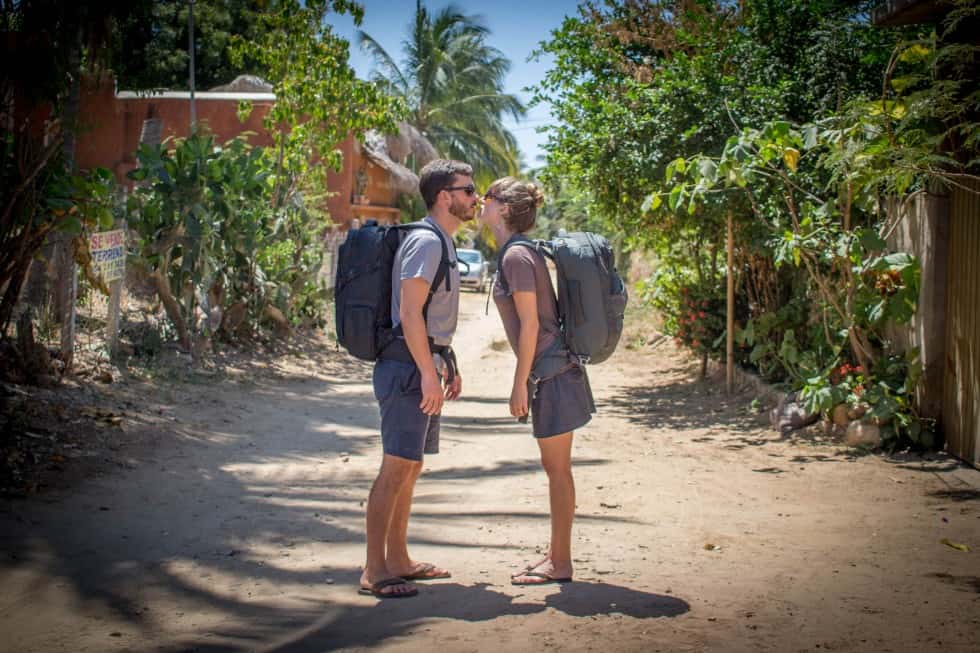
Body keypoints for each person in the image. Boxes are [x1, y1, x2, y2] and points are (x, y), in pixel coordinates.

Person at [359, 159, 479, 598]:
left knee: (411, 466)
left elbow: (431, 319)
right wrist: (428, 374)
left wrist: (448, 364)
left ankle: (399, 560)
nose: (474, 197)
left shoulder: (441, 242)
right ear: (445, 197)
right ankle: (375, 570)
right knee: (395, 467)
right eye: (467, 190)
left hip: (421, 366)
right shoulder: (427, 243)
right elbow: (408, 313)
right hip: (406, 369)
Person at [479, 177, 596, 586]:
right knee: (556, 468)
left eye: (488, 198)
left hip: (552, 374)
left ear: (505, 210)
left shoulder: (516, 257)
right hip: (553, 370)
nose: (481, 202)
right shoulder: (518, 253)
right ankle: (555, 556)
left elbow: (530, 326)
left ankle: (560, 562)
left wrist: (518, 385)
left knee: (557, 470)